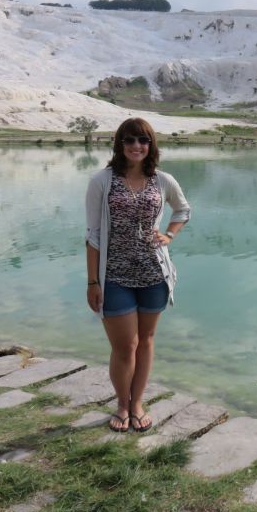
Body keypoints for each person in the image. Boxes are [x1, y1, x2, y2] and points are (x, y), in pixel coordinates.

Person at [85, 118, 191, 433]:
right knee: (124, 346)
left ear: (150, 145)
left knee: (145, 341)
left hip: (153, 273)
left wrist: (169, 235)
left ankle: (137, 403)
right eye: (129, 140)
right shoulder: (102, 181)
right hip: (114, 275)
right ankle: (121, 403)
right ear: (119, 144)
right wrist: (93, 281)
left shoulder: (162, 180)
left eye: (143, 140)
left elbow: (183, 210)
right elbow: (92, 235)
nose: (136, 146)